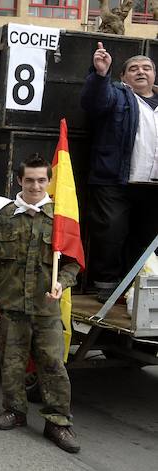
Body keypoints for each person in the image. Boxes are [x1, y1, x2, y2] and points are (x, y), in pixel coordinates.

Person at [0, 154, 81, 453]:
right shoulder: (4, 217)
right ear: (19, 181)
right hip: (10, 306)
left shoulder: (60, 219)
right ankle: (14, 410)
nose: (35, 185)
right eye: (29, 180)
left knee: (53, 365)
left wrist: (63, 283)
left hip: (46, 309)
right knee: (11, 363)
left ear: (48, 181)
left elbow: (74, 263)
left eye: (41, 180)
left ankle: (58, 422)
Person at [81, 43, 158, 302]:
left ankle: (141, 285)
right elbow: (93, 102)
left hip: (152, 186)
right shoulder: (116, 94)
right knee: (112, 232)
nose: (141, 72)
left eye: (146, 68)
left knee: (147, 238)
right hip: (114, 180)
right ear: (124, 76)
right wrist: (101, 74)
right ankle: (106, 284)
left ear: (154, 75)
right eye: (133, 68)